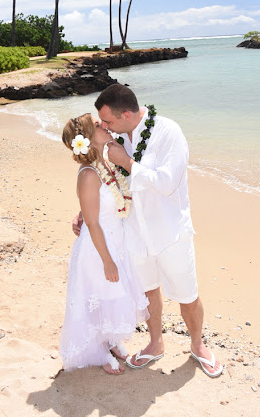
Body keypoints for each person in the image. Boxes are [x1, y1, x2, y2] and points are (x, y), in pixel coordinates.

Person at [73, 84, 222, 378]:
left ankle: (198, 345)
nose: (103, 126)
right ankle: (155, 343)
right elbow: (109, 179)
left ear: (127, 114)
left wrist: (127, 161)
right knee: (148, 290)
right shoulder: (116, 136)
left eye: (108, 121)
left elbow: (166, 182)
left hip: (170, 232)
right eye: (102, 122)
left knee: (187, 294)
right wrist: (85, 212)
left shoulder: (168, 134)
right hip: (134, 233)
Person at [60, 112, 149, 375]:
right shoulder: (89, 174)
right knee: (98, 295)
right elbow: (93, 222)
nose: (106, 126)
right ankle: (97, 350)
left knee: (113, 295)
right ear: (88, 138)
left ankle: (110, 340)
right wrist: (107, 261)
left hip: (115, 240)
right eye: (99, 125)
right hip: (98, 248)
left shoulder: (107, 164)